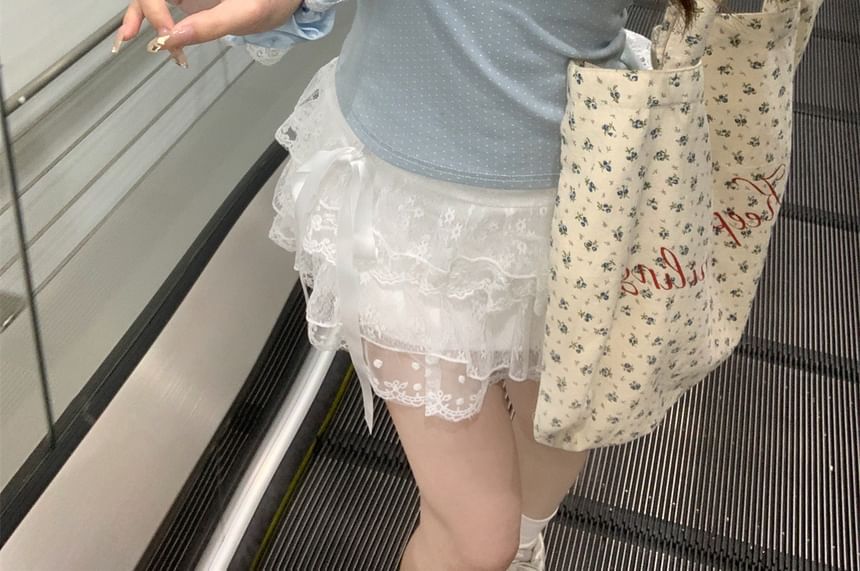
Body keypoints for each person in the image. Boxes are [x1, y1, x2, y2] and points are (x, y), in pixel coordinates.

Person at [117, 1, 694, 569]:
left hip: (586, 192)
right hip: (407, 221)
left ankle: (525, 547)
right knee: (476, 542)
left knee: (559, 429)